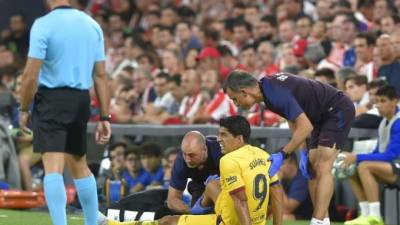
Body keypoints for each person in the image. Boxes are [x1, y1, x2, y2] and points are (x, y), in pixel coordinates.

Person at [18, 1, 111, 225]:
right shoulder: (91, 24)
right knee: (79, 165)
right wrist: (105, 117)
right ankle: (92, 222)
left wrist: (23, 107)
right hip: (81, 100)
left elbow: (31, 74)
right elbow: (100, 76)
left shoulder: (43, 24)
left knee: (53, 167)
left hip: (52, 99)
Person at [224, 70, 355, 225]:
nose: (236, 104)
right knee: (311, 168)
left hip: (337, 109)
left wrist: (283, 153)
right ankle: (323, 219)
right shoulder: (267, 91)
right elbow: (293, 120)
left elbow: (305, 127)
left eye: (235, 99)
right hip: (318, 116)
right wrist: (302, 152)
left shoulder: (274, 93)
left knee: (322, 165)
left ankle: (318, 221)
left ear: (244, 92)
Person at [107, 115, 283, 225]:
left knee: (168, 221)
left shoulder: (227, 159)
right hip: (242, 214)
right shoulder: (261, 154)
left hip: (229, 216)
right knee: (211, 186)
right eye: (184, 154)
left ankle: (112, 223)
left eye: (224, 136)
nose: (186, 159)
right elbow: (276, 193)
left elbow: (240, 201)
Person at [343, 85, 400, 225]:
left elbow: (391, 155)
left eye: (383, 101)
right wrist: (354, 158)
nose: (378, 105)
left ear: (394, 101)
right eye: (377, 102)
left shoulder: (398, 122)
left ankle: (375, 217)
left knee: (364, 166)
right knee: (350, 169)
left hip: (396, 166)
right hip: (392, 167)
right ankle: (366, 214)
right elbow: (377, 152)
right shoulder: (384, 122)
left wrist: (357, 157)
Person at [168, 131, 222, 213]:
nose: (187, 160)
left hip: (224, 184)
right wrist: (191, 211)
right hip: (199, 186)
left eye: (192, 155)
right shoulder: (181, 161)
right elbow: (172, 199)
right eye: (184, 154)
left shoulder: (221, 151)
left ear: (205, 149)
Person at [278, 153, 313, 220]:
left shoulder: (302, 178)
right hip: (297, 214)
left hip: (312, 217)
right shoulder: (285, 180)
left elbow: (287, 209)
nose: (278, 168)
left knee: (282, 217)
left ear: (292, 163)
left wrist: (277, 182)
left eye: (280, 164)